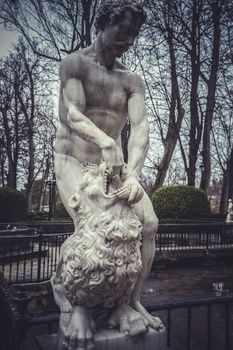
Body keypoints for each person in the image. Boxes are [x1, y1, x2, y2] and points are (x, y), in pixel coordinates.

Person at [54, 0, 161, 348]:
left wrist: (133, 174)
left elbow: (142, 127)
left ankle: (128, 302)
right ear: (104, 23)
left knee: (147, 224)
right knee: (95, 224)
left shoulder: (131, 80)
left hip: (112, 169)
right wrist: (106, 142)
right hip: (73, 159)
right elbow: (73, 113)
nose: (128, 40)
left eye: (134, 34)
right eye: (123, 31)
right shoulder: (75, 64)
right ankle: (80, 305)